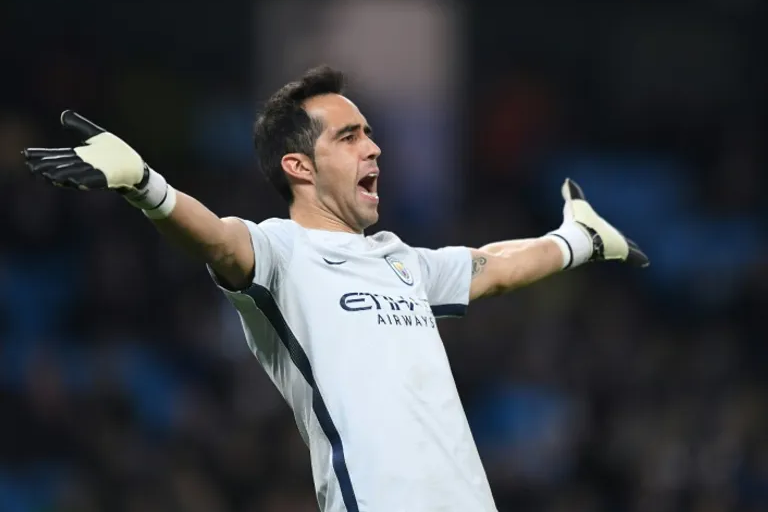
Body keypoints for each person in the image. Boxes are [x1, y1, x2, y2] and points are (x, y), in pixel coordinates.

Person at [22, 65, 648, 512]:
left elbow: (496, 266)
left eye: (369, 133)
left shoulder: (401, 261)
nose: (373, 148)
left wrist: (577, 240)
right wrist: (146, 185)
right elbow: (217, 240)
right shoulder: (280, 252)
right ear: (298, 166)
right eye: (349, 137)